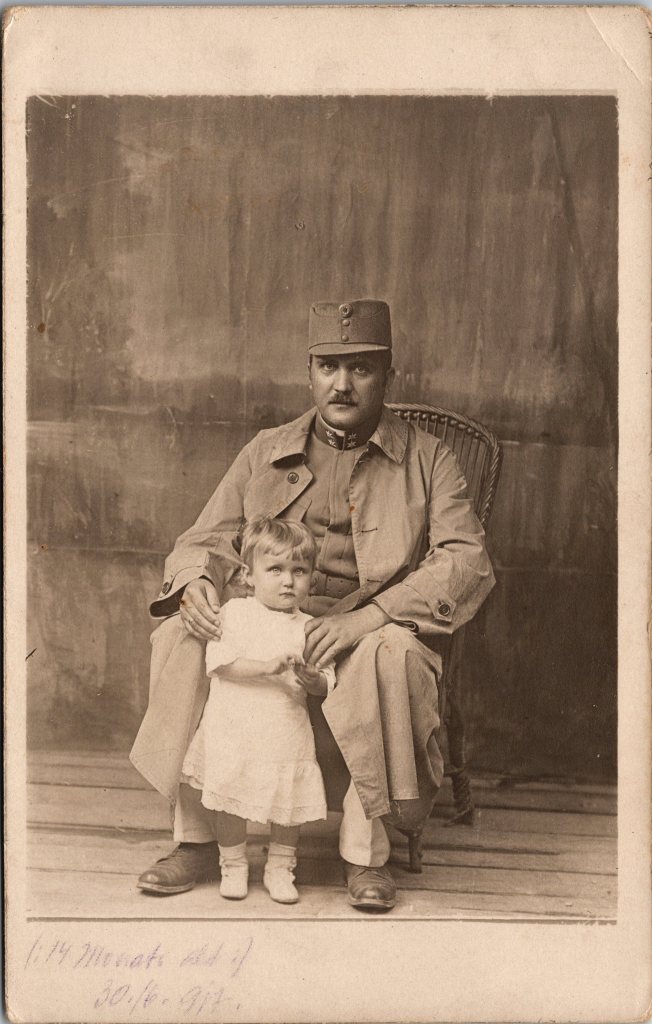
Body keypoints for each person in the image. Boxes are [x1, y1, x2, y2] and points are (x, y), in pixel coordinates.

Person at [131, 298, 495, 912]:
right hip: (269, 618)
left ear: (388, 376)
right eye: (328, 366)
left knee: (391, 653)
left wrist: (371, 616)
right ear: (309, 373)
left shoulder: (430, 458)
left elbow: (466, 558)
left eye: (361, 368)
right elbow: (205, 538)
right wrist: (194, 580)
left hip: (367, 625)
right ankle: (197, 840)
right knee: (184, 632)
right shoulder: (266, 449)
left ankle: (365, 855)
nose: (342, 384)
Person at [180, 516, 333, 904]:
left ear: (311, 577)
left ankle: (280, 867)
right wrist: (268, 668)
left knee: (287, 806)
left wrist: (313, 678)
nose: (288, 581)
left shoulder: (310, 626)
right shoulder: (234, 613)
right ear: (248, 575)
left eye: (299, 571)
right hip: (235, 728)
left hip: (284, 732)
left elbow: (327, 681)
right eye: (275, 570)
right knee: (230, 799)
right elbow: (221, 664)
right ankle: (233, 864)